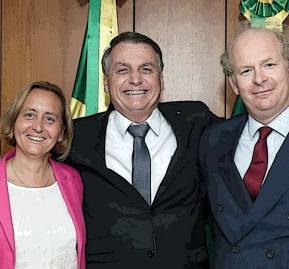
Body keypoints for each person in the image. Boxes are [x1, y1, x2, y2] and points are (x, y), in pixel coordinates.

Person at [67, 31, 218, 269]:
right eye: (122, 70)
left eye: (146, 69)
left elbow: (248, 136)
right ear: (106, 82)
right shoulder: (76, 137)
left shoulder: (196, 121)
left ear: (161, 78)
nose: (135, 79)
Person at [200, 27, 289, 268]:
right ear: (234, 84)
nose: (260, 79)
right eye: (246, 70)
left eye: (269, 65)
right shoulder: (214, 141)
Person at [0, 81, 86, 269]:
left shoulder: (72, 180)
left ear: (61, 132)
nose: (38, 127)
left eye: (50, 119)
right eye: (29, 115)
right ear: (14, 121)